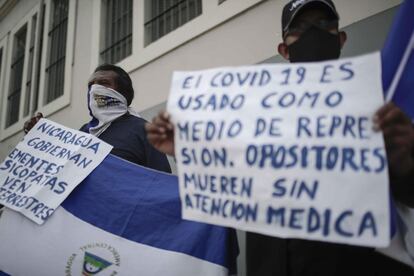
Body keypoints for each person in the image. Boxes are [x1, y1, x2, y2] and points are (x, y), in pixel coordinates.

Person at [145, 0, 414, 275]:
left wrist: (404, 161)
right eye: (299, 27)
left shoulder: (380, 104)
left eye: (324, 24)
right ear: (284, 49)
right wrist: (186, 148)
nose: (313, 33)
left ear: (341, 38)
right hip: (271, 262)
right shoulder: (251, 113)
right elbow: (228, 175)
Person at [24, 64, 171, 173]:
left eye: (103, 83)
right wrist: (40, 137)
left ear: (122, 93)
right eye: (90, 85)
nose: (93, 89)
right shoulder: (83, 132)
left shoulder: (144, 130)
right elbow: (60, 171)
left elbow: (161, 182)